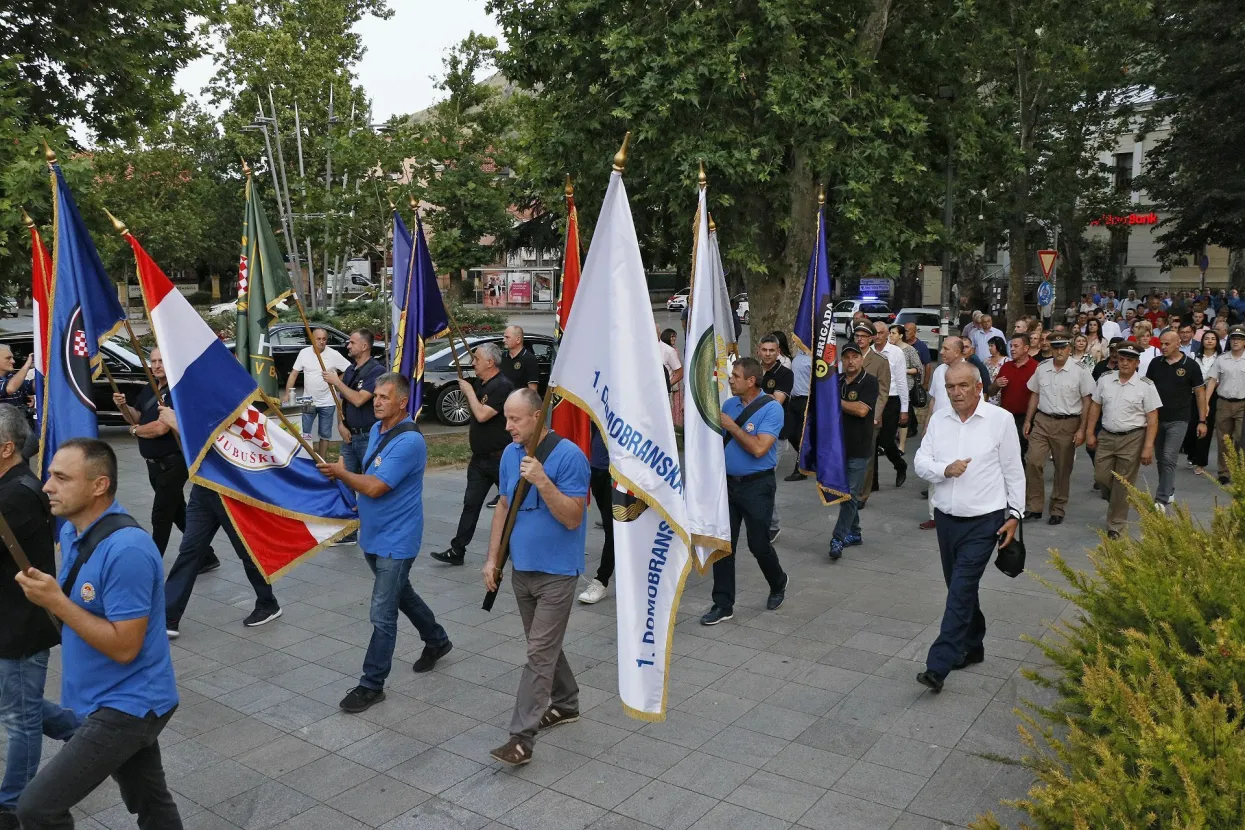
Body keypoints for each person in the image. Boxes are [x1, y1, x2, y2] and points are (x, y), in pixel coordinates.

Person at [14, 439, 182, 829]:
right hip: (105, 698)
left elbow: (125, 647)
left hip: (128, 705)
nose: (47, 486)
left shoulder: (127, 550)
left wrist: (56, 601)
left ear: (99, 485)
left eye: (61, 478)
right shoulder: (74, 532)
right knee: (150, 802)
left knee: (37, 808)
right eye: (50, 475)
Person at [318, 373, 452, 713]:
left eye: (384, 397)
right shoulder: (378, 429)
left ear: (402, 402)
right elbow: (367, 477)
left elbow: (377, 487)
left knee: (382, 612)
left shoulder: (410, 442)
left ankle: (371, 684)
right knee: (401, 593)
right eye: (375, 396)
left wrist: (341, 473)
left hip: (397, 539)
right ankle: (437, 640)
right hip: (373, 534)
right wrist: (350, 492)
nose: (376, 402)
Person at [483, 388, 590, 767]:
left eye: (515, 419)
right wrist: (493, 559)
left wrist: (543, 481)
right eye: (506, 418)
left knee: (538, 654)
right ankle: (567, 702)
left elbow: (573, 517)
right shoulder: (510, 454)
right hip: (521, 569)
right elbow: (504, 507)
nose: (507, 426)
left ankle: (521, 739)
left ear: (537, 417)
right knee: (542, 645)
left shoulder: (570, 456)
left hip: (557, 572)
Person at [913, 362, 1023, 693]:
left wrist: (1015, 515)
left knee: (960, 590)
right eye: (950, 387)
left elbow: (1013, 471)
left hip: (985, 521)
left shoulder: (1000, 420)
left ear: (978, 388)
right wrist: (944, 470)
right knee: (959, 586)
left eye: (963, 386)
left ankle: (938, 665)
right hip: (947, 519)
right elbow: (921, 462)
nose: (956, 392)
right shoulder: (939, 420)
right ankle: (974, 644)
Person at [0, 407, 77, 828]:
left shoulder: (16, 493)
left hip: (21, 626)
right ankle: (85, 735)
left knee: (20, 718)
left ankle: (13, 804)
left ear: (6, 448)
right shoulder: (11, 484)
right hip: (9, 620)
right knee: (18, 704)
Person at [157, 408, 283, 638]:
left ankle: (267, 603)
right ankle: (168, 616)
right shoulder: (195, 399)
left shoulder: (223, 401)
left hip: (229, 488)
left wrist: (176, 424)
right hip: (203, 487)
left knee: (246, 551)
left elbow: (218, 439)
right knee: (189, 551)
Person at [700, 357, 789, 625]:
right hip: (727, 485)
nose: (731, 380)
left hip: (757, 486)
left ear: (751, 381)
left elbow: (759, 448)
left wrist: (731, 425)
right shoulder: (730, 405)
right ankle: (722, 603)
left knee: (758, 544)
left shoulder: (771, 409)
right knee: (723, 544)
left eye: (736, 376)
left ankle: (778, 581)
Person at [110, 347, 216, 566]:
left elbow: (161, 428)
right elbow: (136, 417)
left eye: (161, 361)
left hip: (173, 463)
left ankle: (150, 565)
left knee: (160, 516)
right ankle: (207, 557)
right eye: (154, 361)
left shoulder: (178, 391)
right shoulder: (150, 388)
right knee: (178, 512)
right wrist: (123, 406)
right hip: (154, 466)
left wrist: (134, 431)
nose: (157, 365)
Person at [431, 343, 515, 566]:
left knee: (512, 504)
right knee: (471, 504)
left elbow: (482, 414)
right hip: (479, 459)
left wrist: (468, 391)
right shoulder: (481, 383)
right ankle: (457, 549)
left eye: (476, 359)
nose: (473, 363)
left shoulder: (503, 386)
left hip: (499, 459)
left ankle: (516, 547)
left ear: (490, 362)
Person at [1086, 346, 1161, 539]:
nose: (1125, 363)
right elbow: (1095, 406)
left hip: (1132, 438)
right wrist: (1089, 432)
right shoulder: (1105, 379)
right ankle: (1117, 501)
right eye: (1122, 359)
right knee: (1101, 477)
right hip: (1107, 435)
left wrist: (1148, 447)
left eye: (1130, 360)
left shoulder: (1146, 385)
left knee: (1122, 482)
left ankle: (1116, 525)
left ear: (1137, 363)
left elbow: (1153, 418)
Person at [1022, 336, 1094, 525]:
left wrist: (1082, 429)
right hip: (1043, 420)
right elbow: (1035, 394)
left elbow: (1087, 400)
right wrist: (1028, 420)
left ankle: (1057, 508)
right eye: (1055, 348)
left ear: (1069, 349)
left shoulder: (1080, 370)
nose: (1059, 351)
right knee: (1033, 461)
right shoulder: (1042, 368)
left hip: (1067, 422)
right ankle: (1034, 506)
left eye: (1063, 347)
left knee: (1062, 468)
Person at [1146, 330, 1207, 510]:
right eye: (1161, 344)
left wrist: (1202, 421)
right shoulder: (1155, 363)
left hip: (1179, 419)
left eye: (1167, 344)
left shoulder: (1191, 365)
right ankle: (1168, 488)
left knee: (1169, 457)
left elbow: (1200, 393)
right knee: (1160, 458)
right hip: (1157, 418)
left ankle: (1161, 499)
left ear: (1178, 344)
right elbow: (1146, 388)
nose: (1163, 347)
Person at [829, 344, 878, 561]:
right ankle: (855, 533)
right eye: (847, 357)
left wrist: (834, 401)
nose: (851, 361)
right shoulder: (836, 381)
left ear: (861, 359)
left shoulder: (869, 381)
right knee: (846, 494)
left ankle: (838, 538)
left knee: (848, 495)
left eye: (855, 357)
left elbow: (861, 410)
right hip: (838, 448)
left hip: (859, 448)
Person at [325, 328, 385, 477]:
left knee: (370, 479)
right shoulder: (350, 370)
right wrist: (341, 425)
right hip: (348, 437)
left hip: (368, 437)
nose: (348, 346)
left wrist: (337, 382)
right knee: (345, 480)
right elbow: (342, 399)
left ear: (364, 346)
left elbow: (359, 400)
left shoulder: (377, 371)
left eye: (352, 343)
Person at [285, 327, 350, 458]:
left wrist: (337, 380)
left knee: (325, 434)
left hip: (328, 401)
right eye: (318, 339)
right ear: (312, 339)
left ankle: (322, 460)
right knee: (305, 433)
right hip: (308, 401)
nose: (321, 342)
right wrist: (287, 393)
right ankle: (306, 459)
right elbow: (293, 374)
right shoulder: (304, 353)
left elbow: (350, 369)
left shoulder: (333, 354)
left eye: (324, 339)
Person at [576, 425, 615, 604]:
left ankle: (601, 579)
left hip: (624, 470)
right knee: (610, 526)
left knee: (614, 529)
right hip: (598, 466)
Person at [1205, 326, 1245, 485]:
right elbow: (1212, 381)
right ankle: (1224, 472)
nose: (1236, 341)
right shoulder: (1221, 359)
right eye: (1233, 338)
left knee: (1241, 439)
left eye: (1240, 339)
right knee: (1223, 439)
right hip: (1224, 403)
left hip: (1242, 404)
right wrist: (1206, 403)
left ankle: (1240, 470)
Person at [871, 321, 909, 488]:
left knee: (886, 441)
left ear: (887, 334)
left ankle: (900, 464)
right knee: (872, 442)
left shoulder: (896, 353)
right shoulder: (868, 351)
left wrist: (904, 409)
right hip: (873, 400)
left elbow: (901, 382)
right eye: (875, 333)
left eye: (881, 333)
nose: (878, 336)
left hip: (891, 400)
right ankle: (873, 481)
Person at [856, 324, 891, 505]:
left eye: (864, 336)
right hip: (849, 414)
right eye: (857, 335)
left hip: (870, 416)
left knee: (867, 457)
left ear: (871, 339)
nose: (860, 339)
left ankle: (862, 494)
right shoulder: (849, 357)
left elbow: (883, 392)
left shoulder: (880, 361)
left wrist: (876, 415)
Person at [988, 333, 1037, 458]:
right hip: (1006, 416)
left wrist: (1028, 420)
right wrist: (996, 384)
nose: (1012, 349)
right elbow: (991, 392)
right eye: (1011, 346)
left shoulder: (1036, 367)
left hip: (1025, 417)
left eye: (1016, 346)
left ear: (1026, 348)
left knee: (1019, 451)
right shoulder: (1006, 366)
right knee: (1004, 451)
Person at [1183, 330, 1221, 475]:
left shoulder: (1221, 358)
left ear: (1217, 342)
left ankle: (1201, 462)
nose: (1209, 341)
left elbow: (1217, 379)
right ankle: (1191, 454)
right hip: (1194, 394)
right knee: (1191, 426)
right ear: (1202, 341)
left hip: (1213, 394)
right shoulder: (1194, 356)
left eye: (1213, 339)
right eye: (1207, 338)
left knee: (1206, 427)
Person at [783, 347, 812, 481]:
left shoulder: (813, 357)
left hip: (806, 400)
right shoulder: (799, 353)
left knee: (802, 435)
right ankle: (809, 456)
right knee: (789, 432)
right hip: (794, 399)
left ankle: (800, 469)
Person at [891, 325, 921, 452]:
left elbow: (918, 368)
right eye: (890, 333)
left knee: (904, 411)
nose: (890, 336)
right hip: (892, 386)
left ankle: (902, 441)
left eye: (893, 333)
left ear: (901, 335)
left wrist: (903, 370)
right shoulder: (889, 349)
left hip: (906, 384)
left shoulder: (909, 350)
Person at [500, 326, 541, 392]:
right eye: (504, 337)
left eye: (507, 337)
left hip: (519, 398)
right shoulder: (502, 356)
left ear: (518, 340)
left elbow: (532, 391)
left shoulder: (529, 359)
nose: (503, 340)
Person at [0, 346, 34, 419]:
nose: (13, 361)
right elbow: (10, 389)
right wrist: (27, 365)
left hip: (18, 424)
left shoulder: (11, 377)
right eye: (8, 358)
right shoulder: (13, 382)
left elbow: (32, 386)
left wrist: (42, 369)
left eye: (12, 358)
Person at [660, 328, 684, 427]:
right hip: (671, 383)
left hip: (672, 384)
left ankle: (676, 423)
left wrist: (668, 384)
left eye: (675, 336)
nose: (674, 338)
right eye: (672, 336)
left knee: (676, 404)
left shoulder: (671, 350)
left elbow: (679, 370)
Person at [984, 336, 1008, 406]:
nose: (989, 348)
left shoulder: (1006, 361)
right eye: (989, 346)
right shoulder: (986, 360)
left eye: (991, 346)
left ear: (999, 346)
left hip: (999, 395)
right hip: (986, 393)